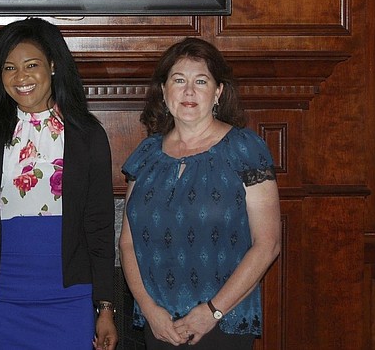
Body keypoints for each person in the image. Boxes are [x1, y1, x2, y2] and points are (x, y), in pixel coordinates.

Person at [0, 18, 118, 350]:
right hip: (1, 298)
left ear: (53, 66)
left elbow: (99, 227)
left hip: (69, 297)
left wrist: (106, 308)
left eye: (31, 65)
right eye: (9, 68)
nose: (20, 76)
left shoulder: (88, 136)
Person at [119, 38, 281, 350]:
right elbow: (127, 243)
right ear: (164, 91)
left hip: (222, 322)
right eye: (179, 80)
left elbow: (268, 244)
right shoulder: (147, 154)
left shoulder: (244, 149)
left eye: (201, 81)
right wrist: (150, 311)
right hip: (160, 325)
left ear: (218, 92)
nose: (189, 91)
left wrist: (211, 312)